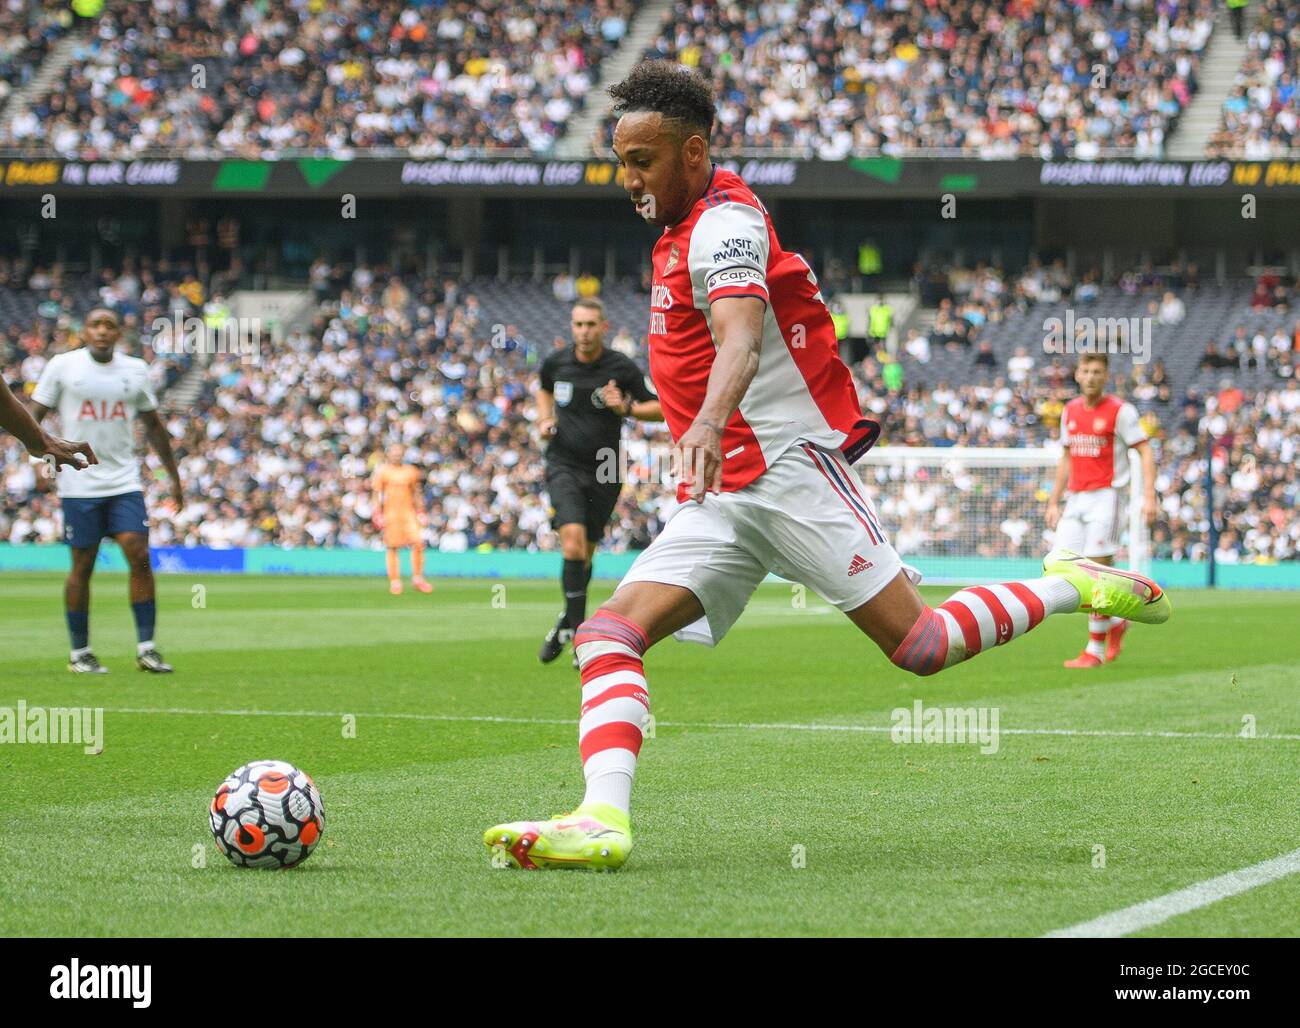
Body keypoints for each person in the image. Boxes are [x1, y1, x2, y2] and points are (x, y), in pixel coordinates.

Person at [483, 61, 1172, 871]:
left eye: (642, 161)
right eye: (620, 161)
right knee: (607, 635)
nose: (626, 179)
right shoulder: (681, 229)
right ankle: (603, 816)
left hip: (786, 472)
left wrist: (704, 421)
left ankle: (1070, 583)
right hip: (723, 495)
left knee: (921, 644)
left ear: (694, 153)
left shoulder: (723, 224)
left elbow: (740, 336)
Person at [29, 308, 182, 673]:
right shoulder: (63, 366)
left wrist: (175, 478)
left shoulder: (135, 370)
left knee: (138, 551)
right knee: (82, 565)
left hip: (123, 480)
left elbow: (155, 426)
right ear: (84, 332)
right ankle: (80, 652)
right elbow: (32, 415)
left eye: (108, 325)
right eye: (95, 325)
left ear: (118, 333)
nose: (101, 331)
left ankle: (147, 647)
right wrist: (39, 462)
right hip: (78, 482)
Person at [535, 298, 662, 666]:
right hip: (563, 464)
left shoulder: (620, 368)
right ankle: (581, 640)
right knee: (572, 545)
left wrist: (626, 408)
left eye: (591, 325)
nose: (583, 331)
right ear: (571, 327)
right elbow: (543, 388)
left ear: (604, 328)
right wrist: (543, 420)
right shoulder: (556, 363)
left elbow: (659, 407)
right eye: (578, 325)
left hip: (606, 469)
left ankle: (567, 621)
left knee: (585, 553)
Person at [1045, 353, 1158, 668]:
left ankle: (1093, 650)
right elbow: (1066, 458)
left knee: (1097, 572)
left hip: (1107, 498)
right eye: (1086, 370)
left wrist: (1149, 495)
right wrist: (1054, 501)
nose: (1091, 376)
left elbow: (1145, 452)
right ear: (1077, 375)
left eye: (1097, 371)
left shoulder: (1121, 411)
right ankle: (1115, 622)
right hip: (1076, 499)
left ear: (1106, 376)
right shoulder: (1069, 410)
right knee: (1061, 568)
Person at [371, 443, 433, 595]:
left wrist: (421, 511)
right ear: (389, 455)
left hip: (408, 513)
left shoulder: (411, 471)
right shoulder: (383, 472)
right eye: (394, 453)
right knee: (393, 546)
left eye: (399, 453)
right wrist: (377, 513)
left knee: (418, 543)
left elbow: (416, 492)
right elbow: (377, 494)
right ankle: (395, 581)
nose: (396, 456)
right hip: (391, 513)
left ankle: (417, 578)